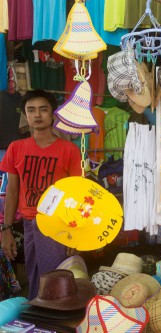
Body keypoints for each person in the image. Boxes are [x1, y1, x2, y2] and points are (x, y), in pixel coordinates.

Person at [0, 89, 82, 300]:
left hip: (57, 225)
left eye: (43, 110)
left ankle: (53, 324)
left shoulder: (69, 150)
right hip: (29, 223)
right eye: (31, 110)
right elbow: (12, 190)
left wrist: (75, 235)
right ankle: (39, 325)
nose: (37, 115)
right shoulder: (16, 148)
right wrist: (7, 229)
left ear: (52, 113)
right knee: (34, 276)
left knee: (55, 279)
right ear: (25, 115)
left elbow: (76, 195)